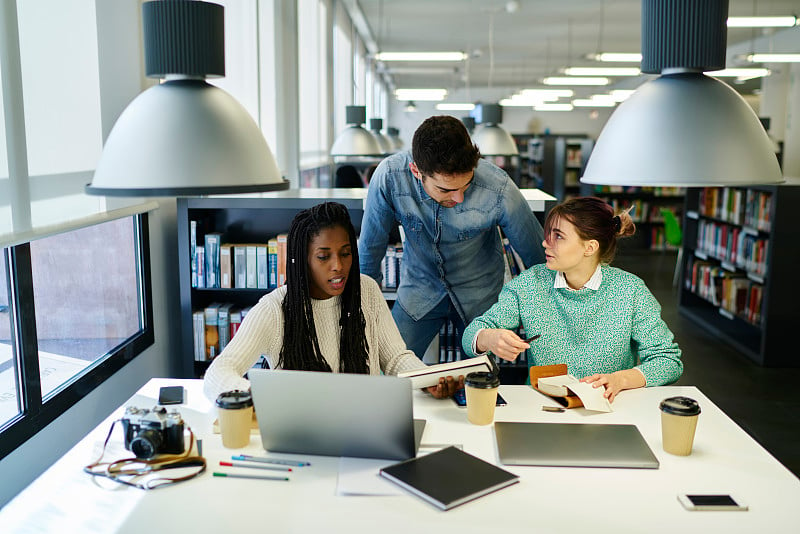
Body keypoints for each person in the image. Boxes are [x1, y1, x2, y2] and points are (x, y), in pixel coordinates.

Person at [203, 202, 463, 402]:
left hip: (365, 425)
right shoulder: (274, 308)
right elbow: (218, 374)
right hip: (302, 433)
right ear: (303, 259)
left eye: (346, 253)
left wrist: (427, 379)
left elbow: (395, 358)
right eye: (323, 257)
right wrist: (260, 399)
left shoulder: (367, 290)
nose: (338, 267)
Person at [359, 115, 545, 360]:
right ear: (416, 171)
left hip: (481, 297)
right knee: (387, 369)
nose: (458, 198)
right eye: (446, 189)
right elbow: (369, 252)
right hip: (419, 290)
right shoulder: (390, 177)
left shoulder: (498, 187)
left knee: (480, 382)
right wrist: (365, 313)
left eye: (466, 186)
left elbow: (537, 257)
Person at [462, 197, 683, 402]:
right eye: (549, 234)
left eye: (558, 236)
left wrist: (621, 380)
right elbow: (471, 335)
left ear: (590, 247)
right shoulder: (530, 283)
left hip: (610, 409)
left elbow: (668, 361)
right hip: (544, 407)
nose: (545, 243)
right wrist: (489, 337)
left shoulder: (631, 291)